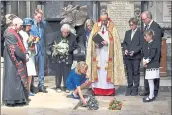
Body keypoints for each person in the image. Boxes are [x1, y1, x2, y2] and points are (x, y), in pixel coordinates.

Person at [86, 9, 126, 96]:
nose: (103, 22)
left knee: (107, 70)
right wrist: (95, 45)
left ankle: (109, 90)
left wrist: (108, 43)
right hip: (98, 54)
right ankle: (97, 89)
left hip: (108, 54)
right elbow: (91, 41)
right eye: (102, 20)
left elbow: (116, 42)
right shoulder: (96, 26)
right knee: (99, 71)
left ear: (107, 18)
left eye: (105, 20)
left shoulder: (112, 27)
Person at [2, 17, 29, 106]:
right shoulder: (10, 34)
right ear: (15, 25)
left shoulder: (15, 33)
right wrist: (24, 56)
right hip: (13, 61)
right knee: (14, 80)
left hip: (16, 59)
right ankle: (12, 100)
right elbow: (15, 49)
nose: (22, 27)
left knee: (17, 80)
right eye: (20, 25)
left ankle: (20, 99)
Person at [48, 24, 78, 93]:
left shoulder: (72, 36)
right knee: (58, 73)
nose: (66, 34)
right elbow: (50, 45)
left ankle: (66, 87)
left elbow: (75, 46)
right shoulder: (56, 35)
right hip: (58, 57)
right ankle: (58, 86)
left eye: (68, 32)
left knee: (67, 73)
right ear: (62, 31)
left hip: (68, 57)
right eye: (65, 32)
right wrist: (55, 49)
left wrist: (68, 49)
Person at [140, 11, 163, 98]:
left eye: (144, 19)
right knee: (147, 75)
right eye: (142, 19)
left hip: (153, 57)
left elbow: (157, 44)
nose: (143, 21)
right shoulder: (146, 26)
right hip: (147, 55)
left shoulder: (155, 27)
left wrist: (152, 58)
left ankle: (154, 93)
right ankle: (147, 91)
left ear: (149, 18)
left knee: (154, 75)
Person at [123, 17, 143, 96]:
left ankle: (135, 89)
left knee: (136, 73)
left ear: (136, 24)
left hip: (136, 56)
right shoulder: (127, 32)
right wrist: (126, 49)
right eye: (130, 25)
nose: (131, 26)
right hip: (128, 56)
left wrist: (134, 52)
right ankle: (129, 88)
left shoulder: (140, 32)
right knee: (129, 73)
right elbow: (124, 43)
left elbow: (141, 44)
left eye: (132, 25)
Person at [30, 9, 47, 93]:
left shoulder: (43, 24)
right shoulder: (31, 25)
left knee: (41, 68)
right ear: (34, 16)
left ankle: (41, 85)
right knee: (33, 68)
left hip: (42, 49)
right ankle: (31, 85)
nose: (40, 19)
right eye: (38, 17)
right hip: (33, 49)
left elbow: (44, 37)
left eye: (41, 17)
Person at [19, 18, 37, 96]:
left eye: (30, 26)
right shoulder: (21, 33)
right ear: (24, 26)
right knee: (26, 73)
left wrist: (33, 45)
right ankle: (25, 90)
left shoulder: (30, 33)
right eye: (28, 26)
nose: (29, 27)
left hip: (31, 54)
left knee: (30, 73)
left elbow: (33, 43)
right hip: (25, 55)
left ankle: (29, 90)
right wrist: (27, 48)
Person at [142, 29, 160, 102]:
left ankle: (150, 96)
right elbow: (145, 54)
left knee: (151, 81)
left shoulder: (154, 43)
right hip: (148, 64)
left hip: (153, 64)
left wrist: (146, 62)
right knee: (150, 81)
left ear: (150, 36)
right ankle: (151, 95)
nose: (144, 38)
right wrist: (144, 61)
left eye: (146, 36)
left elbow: (152, 55)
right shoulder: (146, 44)